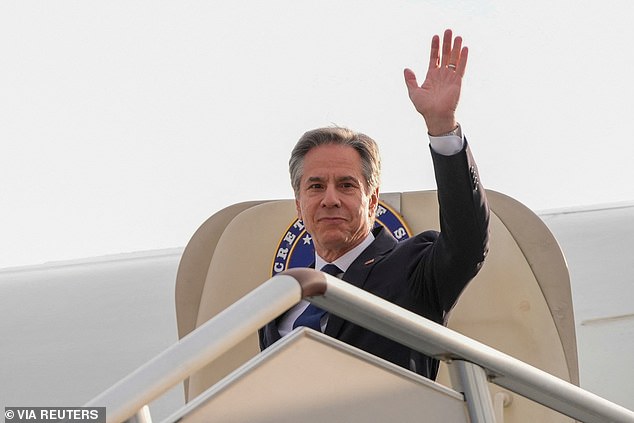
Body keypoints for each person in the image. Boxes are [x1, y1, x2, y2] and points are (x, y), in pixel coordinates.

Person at [259, 29, 490, 381]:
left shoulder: (412, 270)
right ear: (299, 202)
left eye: (347, 185)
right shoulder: (278, 301)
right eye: (316, 186)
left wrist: (442, 128)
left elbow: (467, 243)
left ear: (372, 199)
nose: (330, 198)